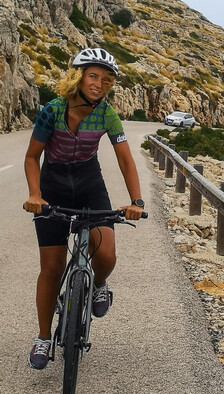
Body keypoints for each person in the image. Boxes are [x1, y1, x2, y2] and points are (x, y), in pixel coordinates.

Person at [23, 48, 144, 370]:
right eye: (94, 76)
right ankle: (44, 337)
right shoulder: (53, 110)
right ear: (78, 76)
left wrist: (137, 201)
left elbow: (125, 159)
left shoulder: (107, 115)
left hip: (90, 184)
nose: (100, 83)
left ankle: (100, 286)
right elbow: (32, 157)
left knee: (106, 255)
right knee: (51, 267)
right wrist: (35, 194)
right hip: (53, 187)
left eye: (106, 80)